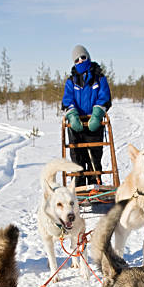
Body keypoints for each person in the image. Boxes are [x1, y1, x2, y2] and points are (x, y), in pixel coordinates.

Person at [62, 45, 112, 185]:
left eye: (83, 57)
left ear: (88, 57)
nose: (80, 61)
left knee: (94, 156)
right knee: (77, 157)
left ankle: (94, 183)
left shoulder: (99, 78)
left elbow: (104, 96)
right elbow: (67, 99)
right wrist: (72, 115)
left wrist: (97, 113)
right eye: (77, 59)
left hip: (94, 122)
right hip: (76, 123)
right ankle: (77, 187)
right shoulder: (71, 81)